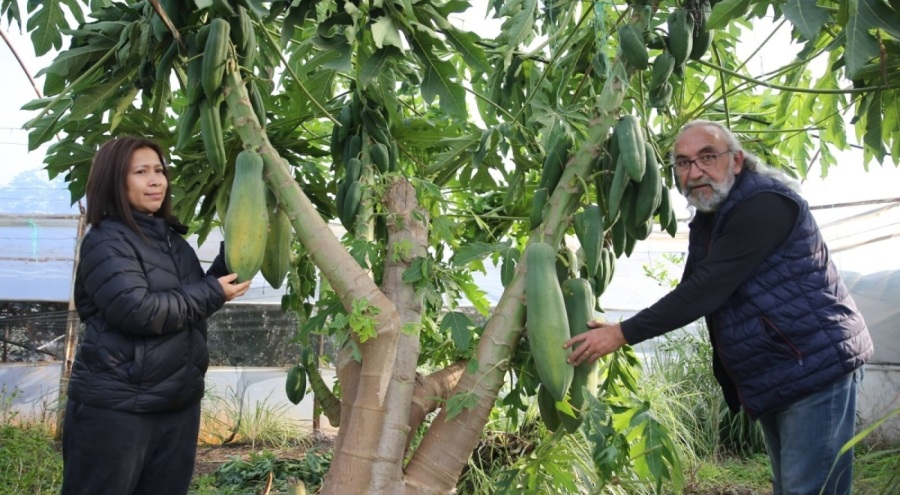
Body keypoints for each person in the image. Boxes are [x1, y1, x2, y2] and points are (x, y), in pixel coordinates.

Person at [565, 120, 873, 495]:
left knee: (807, 489)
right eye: (683, 163)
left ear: (737, 160)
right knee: (792, 486)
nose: (695, 172)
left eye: (707, 157)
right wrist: (619, 327)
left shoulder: (763, 205)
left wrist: (622, 333)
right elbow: (692, 289)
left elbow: (706, 290)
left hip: (812, 364)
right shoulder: (713, 216)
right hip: (781, 368)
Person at [61, 137, 251, 495]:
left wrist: (239, 246)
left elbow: (192, 300)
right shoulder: (106, 240)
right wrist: (212, 291)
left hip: (177, 405)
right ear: (114, 182)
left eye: (160, 171)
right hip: (118, 409)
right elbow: (140, 311)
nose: (156, 181)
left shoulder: (173, 243)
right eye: (141, 172)